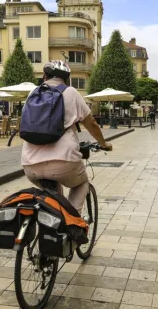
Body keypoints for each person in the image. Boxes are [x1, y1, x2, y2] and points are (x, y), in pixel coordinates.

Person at [21, 60, 111, 212]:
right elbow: (92, 124)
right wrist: (104, 144)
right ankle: (73, 224)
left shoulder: (32, 93)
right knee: (81, 183)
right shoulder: (71, 92)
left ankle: (53, 218)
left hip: (30, 164)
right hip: (63, 161)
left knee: (52, 196)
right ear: (66, 78)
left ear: (44, 76)